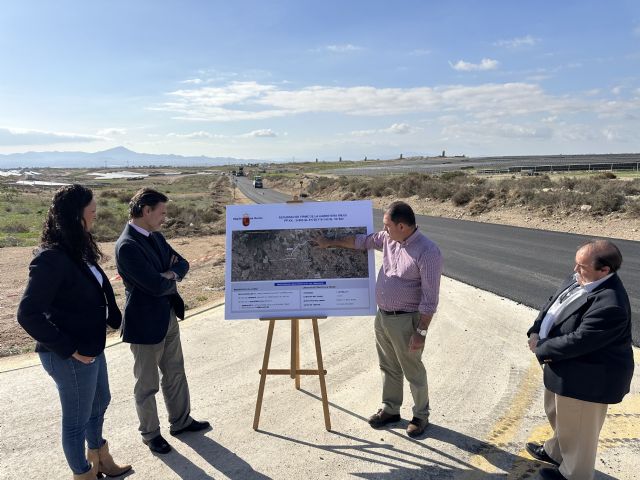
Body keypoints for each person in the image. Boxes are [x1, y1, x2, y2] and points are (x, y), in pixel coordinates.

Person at [17, 184, 131, 480]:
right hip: (69, 354)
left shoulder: (77, 248)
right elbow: (27, 313)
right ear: (74, 216)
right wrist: (69, 349)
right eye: (91, 212)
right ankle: (83, 473)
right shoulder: (51, 258)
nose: (95, 217)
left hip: (91, 345)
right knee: (75, 422)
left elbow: (94, 288)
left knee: (100, 401)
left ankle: (100, 458)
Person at [315, 201, 442, 437]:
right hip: (383, 317)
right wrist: (329, 242)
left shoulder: (428, 252)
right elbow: (361, 241)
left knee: (413, 370)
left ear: (402, 226)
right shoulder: (388, 239)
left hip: (406, 321)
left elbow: (430, 298)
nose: (383, 230)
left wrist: (421, 332)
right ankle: (391, 409)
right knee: (388, 367)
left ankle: (421, 416)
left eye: (387, 225)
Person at [525, 240, 634, 480]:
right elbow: (552, 304)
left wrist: (541, 346)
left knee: (580, 429)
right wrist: (536, 328)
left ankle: (575, 474)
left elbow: (580, 340)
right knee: (561, 417)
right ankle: (556, 452)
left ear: (604, 270)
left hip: (588, 379)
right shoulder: (582, 278)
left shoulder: (610, 303)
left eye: (581, 266)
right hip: (564, 368)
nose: (575, 270)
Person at [115, 188, 209, 455]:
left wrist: (170, 273)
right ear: (146, 211)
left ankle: (181, 422)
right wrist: (168, 275)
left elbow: (183, 264)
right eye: (162, 212)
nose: (165, 218)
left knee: (175, 372)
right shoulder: (127, 246)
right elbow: (155, 286)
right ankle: (150, 434)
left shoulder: (155, 236)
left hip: (167, 315)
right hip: (144, 324)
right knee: (147, 384)